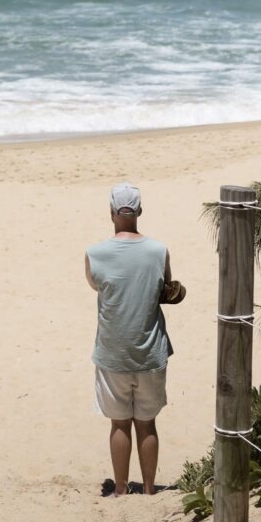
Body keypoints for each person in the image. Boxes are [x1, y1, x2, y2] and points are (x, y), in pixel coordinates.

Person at [85, 182, 173, 497]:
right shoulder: (158, 250)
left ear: (111, 212)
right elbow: (165, 288)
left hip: (112, 352)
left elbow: (98, 286)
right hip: (150, 350)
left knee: (119, 424)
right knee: (146, 424)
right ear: (139, 211)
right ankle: (149, 490)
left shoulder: (95, 253)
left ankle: (121, 489)